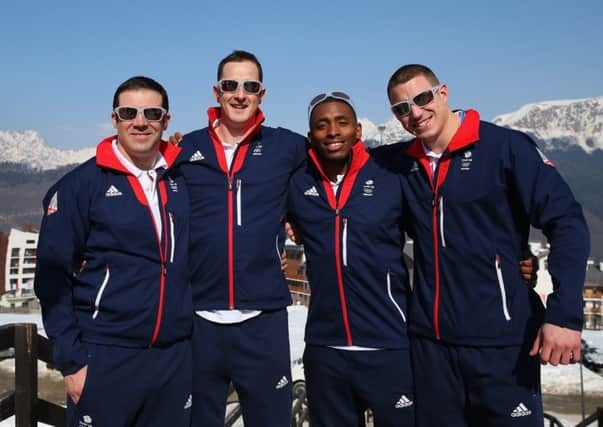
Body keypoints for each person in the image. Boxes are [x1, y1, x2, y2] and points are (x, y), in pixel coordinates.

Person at [384, 64, 590, 426]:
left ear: (443, 93)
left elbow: (568, 222)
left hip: (502, 342)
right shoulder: (401, 165)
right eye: (401, 108)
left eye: (422, 98)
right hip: (431, 347)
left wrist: (564, 315)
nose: (414, 113)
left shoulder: (504, 148)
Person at [34, 76, 193, 427]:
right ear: (115, 119)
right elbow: (51, 279)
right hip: (107, 357)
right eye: (129, 112)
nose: (140, 121)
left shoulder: (181, 181)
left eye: (152, 112)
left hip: (174, 359)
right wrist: (72, 363)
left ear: (166, 121)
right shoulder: (81, 186)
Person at [175, 50, 308, 426]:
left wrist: (296, 219)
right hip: (199, 317)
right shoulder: (184, 150)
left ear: (261, 94)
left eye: (249, 86)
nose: (239, 94)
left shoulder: (286, 146)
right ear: (217, 92)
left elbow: (334, 160)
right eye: (230, 85)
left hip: (261, 318)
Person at [286, 92, 414, 426]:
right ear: (310, 136)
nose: (332, 131)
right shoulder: (297, 184)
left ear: (358, 130)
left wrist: (515, 257)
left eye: (341, 122)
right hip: (326, 349)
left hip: (390, 345)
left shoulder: (391, 176)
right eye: (322, 125)